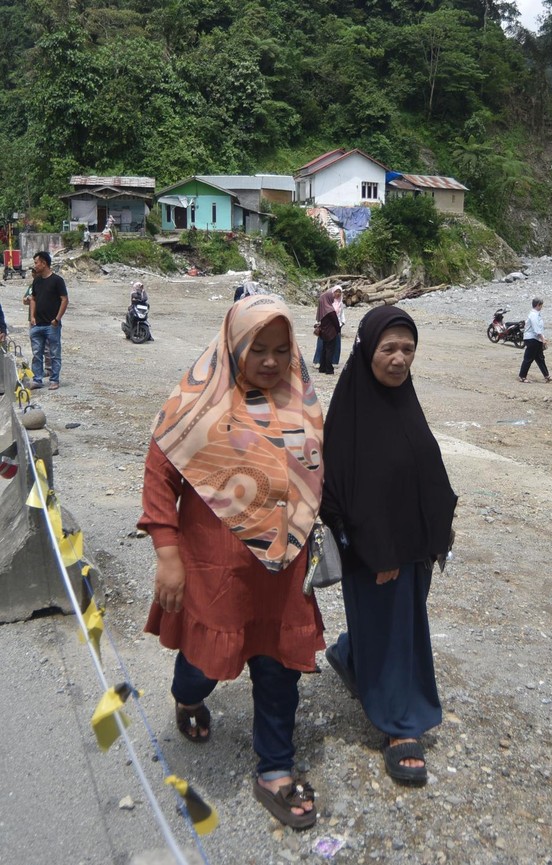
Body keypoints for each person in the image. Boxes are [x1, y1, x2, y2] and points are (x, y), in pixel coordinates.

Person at [138, 294, 325, 830]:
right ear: (232, 345)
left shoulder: (302, 402)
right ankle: (186, 695)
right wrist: (167, 554)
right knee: (203, 663)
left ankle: (275, 769)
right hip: (216, 566)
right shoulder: (197, 402)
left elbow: (317, 474)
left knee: (279, 666)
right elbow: (159, 476)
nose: (270, 361)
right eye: (257, 348)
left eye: (281, 350)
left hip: (283, 570)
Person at [320, 306, 457, 786]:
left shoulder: (405, 402)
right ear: (366, 350)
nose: (399, 359)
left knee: (396, 624)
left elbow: (423, 473)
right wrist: (378, 550)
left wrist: (436, 533)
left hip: (413, 548)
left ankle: (351, 655)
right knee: (399, 635)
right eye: (389, 349)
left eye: (408, 349)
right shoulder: (351, 412)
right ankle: (402, 725)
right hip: (375, 553)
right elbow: (337, 495)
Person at [29, 251, 68, 391]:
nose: (35, 266)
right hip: (37, 324)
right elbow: (33, 299)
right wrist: (32, 317)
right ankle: (37, 379)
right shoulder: (37, 280)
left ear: (44, 263)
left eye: (36, 263)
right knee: (36, 354)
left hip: (52, 325)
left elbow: (64, 300)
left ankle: (54, 380)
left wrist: (57, 319)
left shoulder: (57, 281)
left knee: (54, 354)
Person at [518, 298, 552, 383]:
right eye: (541, 305)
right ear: (538, 305)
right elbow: (536, 329)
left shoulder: (535, 314)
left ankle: (546, 375)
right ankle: (522, 376)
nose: (542, 307)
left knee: (540, 358)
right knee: (528, 358)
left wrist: (542, 338)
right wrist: (543, 339)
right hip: (532, 338)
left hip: (535, 338)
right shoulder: (534, 315)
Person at [313, 285, 345, 366]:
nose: (338, 294)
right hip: (326, 326)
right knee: (322, 344)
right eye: (336, 292)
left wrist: (342, 323)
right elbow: (320, 313)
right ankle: (318, 361)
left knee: (335, 345)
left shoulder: (340, 303)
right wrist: (317, 322)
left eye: (339, 292)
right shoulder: (327, 301)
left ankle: (333, 362)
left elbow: (341, 314)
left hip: (336, 325)